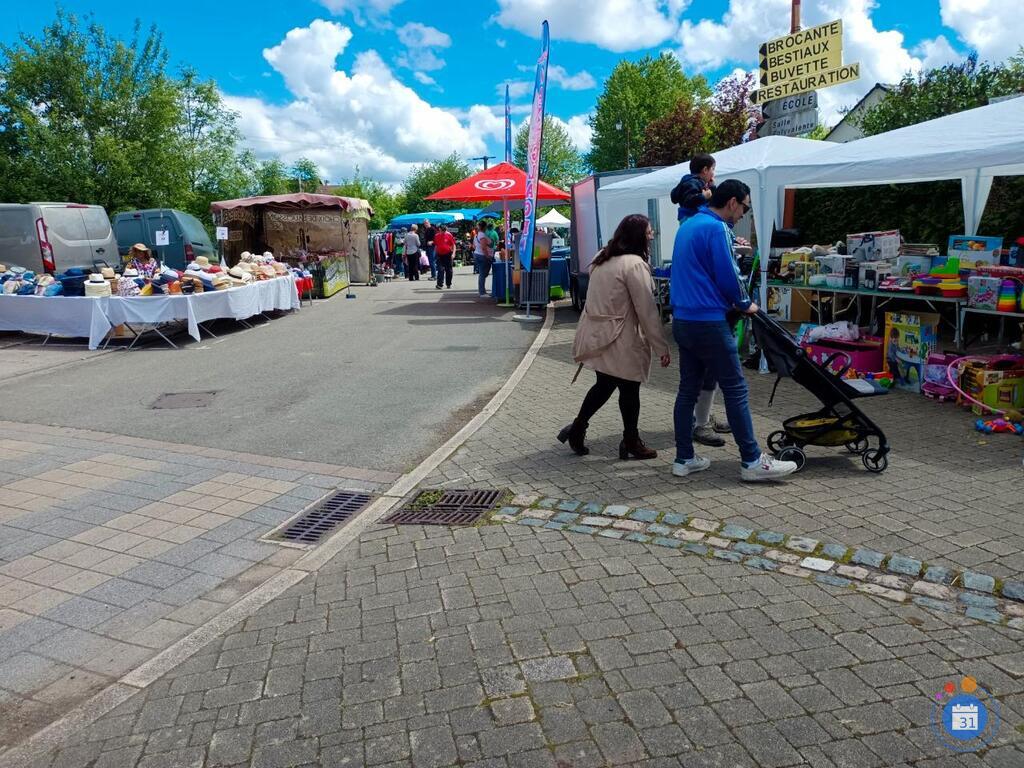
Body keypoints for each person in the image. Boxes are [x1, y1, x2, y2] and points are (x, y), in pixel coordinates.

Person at [670, 179, 798, 482]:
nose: (743, 214)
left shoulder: (687, 225)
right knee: (736, 389)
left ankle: (683, 458)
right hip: (708, 322)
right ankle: (752, 461)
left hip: (683, 320)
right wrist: (744, 302)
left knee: (687, 389)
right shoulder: (716, 229)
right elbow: (728, 272)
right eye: (744, 207)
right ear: (732, 202)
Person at [559, 214, 670, 460]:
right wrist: (661, 346)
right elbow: (647, 310)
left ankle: (578, 429)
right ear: (639, 236)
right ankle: (630, 441)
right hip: (623, 337)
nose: (652, 235)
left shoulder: (601, 259)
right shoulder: (634, 264)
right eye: (649, 232)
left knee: (604, 385)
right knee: (629, 390)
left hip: (600, 334)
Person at [670, 153, 716, 223]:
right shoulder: (692, 183)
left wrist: (712, 187)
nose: (714, 173)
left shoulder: (696, 182)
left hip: (692, 218)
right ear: (705, 170)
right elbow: (689, 200)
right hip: (690, 217)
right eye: (713, 169)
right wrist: (703, 196)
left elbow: (714, 201)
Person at [473, 223, 493, 297]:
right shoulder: (482, 235)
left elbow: (474, 245)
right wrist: (487, 256)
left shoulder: (477, 235)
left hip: (477, 254)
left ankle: (482, 291)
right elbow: (483, 247)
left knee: (483, 273)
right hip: (482, 255)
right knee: (483, 274)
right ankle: (482, 292)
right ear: (484, 227)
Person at [434, 224, 456, 289]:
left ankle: (448, 283)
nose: (443, 232)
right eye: (442, 231)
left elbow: (453, 245)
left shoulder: (449, 235)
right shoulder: (436, 236)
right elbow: (436, 245)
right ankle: (439, 284)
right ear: (439, 230)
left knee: (448, 270)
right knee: (440, 270)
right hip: (439, 255)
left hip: (448, 254)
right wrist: (435, 253)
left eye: (444, 230)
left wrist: (453, 254)